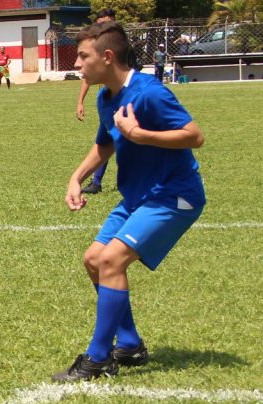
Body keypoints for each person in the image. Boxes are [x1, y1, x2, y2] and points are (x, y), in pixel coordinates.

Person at [52, 21, 205, 382]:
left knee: (111, 259)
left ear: (107, 57)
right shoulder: (106, 97)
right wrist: (76, 177)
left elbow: (194, 136)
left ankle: (98, 357)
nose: (78, 64)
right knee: (93, 260)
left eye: (84, 56)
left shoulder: (149, 92)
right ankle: (131, 344)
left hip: (174, 195)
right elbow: (105, 143)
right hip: (138, 197)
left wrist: (141, 134)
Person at [76, 8, 125, 195]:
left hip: (124, 98)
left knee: (123, 140)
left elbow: (193, 136)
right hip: (109, 98)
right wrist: (80, 101)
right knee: (105, 139)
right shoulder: (103, 97)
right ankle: (96, 182)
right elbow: (85, 76)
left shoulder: (122, 47)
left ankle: (126, 180)